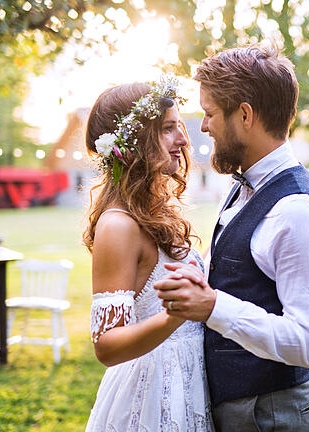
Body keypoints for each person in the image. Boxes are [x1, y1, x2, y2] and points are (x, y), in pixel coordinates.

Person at [153, 46, 309, 431]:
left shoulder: (296, 210)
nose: (203, 127)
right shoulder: (245, 184)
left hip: (273, 415)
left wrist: (212, 306)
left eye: (209, 114)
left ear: (245, 115)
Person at [82, 79, 213, 430]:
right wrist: (175, 316)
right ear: (136, 140)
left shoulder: (156, 211)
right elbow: (107, 346)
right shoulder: (119, 225)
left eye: (179, 127)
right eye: (168, 129)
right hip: (148, 397)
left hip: (188, 387)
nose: (183, 140)